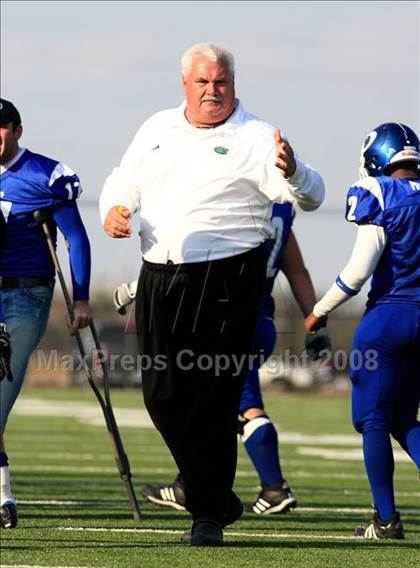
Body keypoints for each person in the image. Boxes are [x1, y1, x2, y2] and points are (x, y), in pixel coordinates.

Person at [100, 43, 325, 546]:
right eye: (202, 82)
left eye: (220, 82)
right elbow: (122, 182)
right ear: (185, 84)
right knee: (161, 395)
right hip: (159, 274)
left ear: (233, 85)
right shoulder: (156, 127)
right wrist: (114, 209)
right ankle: (216, 496)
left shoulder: (258, 136)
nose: (211, 91)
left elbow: (312, 196)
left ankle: (207, 514)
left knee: (215, 397)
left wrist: (294, 172)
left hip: (230, 280)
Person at [113, 203, 331, 515]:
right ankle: (187, 483)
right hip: (261, 322)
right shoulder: (278, 211)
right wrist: (314, 319)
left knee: (240, 405)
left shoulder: (236, 205)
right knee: (210, 406)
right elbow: (297, 270)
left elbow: (193, 262)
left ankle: (274, 487)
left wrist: (137, 288)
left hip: (230, 321)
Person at [305, 122, 420, 540]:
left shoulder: (378, 192)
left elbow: (359, 270)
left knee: (373, 418)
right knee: (406, 418)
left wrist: (318, 311)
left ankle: (386, 519)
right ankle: (385, 517)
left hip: (388, 319)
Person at [0, 98, 93, 528]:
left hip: (25, 296)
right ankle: (4, 499)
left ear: (18, 130)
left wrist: (80, 299)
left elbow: (76, 238)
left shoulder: (45, 175)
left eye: (1, 127)